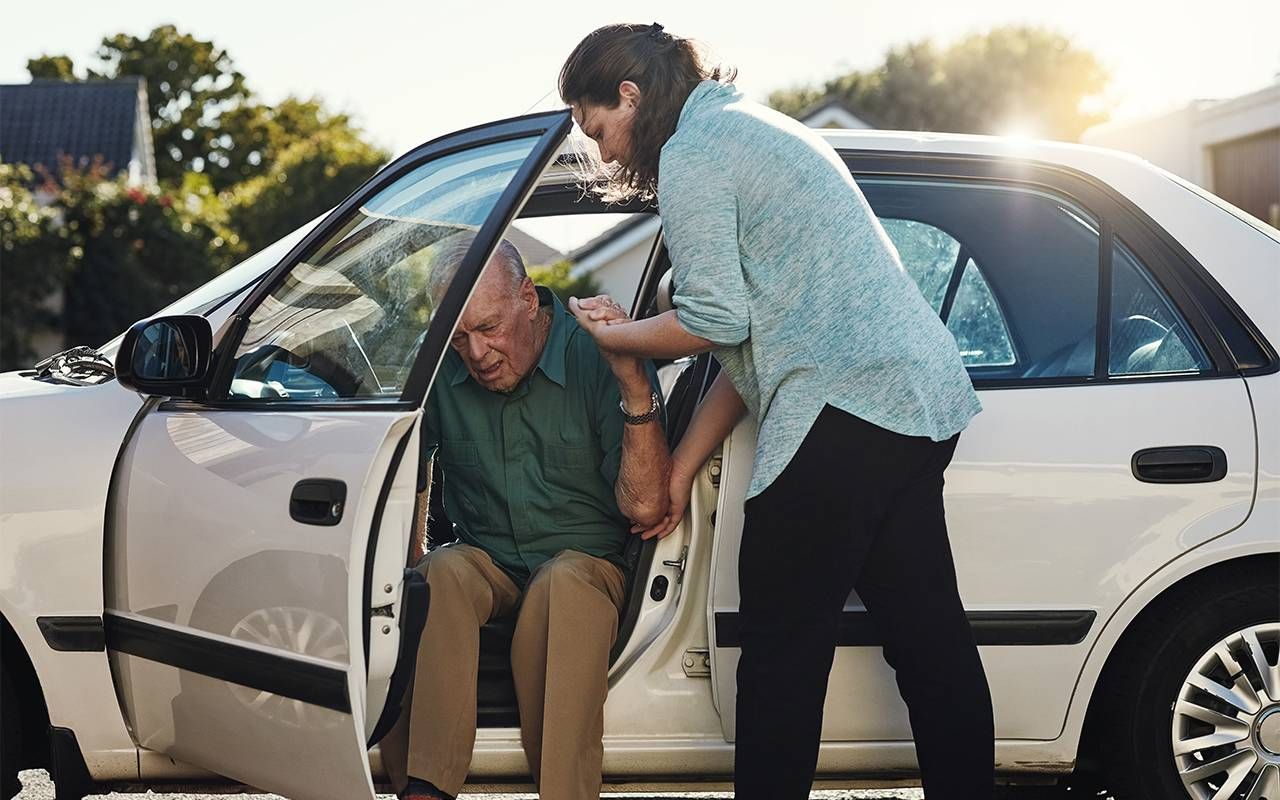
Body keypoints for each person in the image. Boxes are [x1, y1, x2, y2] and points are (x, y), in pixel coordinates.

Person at [557, 23, 995, 800]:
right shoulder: (754, 126)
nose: (608, 154)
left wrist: (612, 337)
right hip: (916, 399)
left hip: (845, 406)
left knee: (780, 652)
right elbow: (745, 342)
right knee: (929, 642)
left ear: (628, 94)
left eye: (599, 130)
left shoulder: (696, 151)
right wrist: (683, 470)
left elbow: (713, 321)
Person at [381, 235, 671, 800]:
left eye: (489, 328)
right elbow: (408, 472)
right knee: (440, 572)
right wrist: (410, 559)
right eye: (460, 337)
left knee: (561, 584)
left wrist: (634, 386)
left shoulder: (598, 355)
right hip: (492, 559)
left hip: (586, 566)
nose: (478, 353)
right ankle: (423, 789)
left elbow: (645, 507)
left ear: (529, 298)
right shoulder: (445, 366)